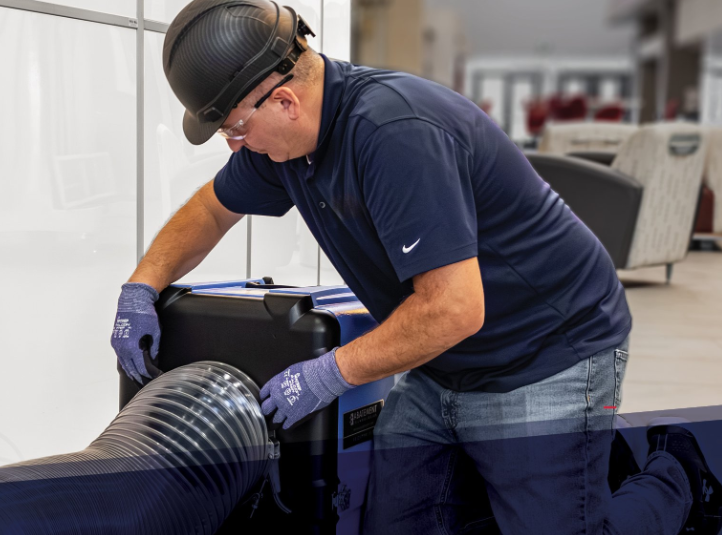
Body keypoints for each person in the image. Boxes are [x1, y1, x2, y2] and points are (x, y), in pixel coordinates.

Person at [109, 1, 721, 533]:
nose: (233, 145)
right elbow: (210, 211)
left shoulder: (394, 134)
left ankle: (678, 477)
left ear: (286, 99)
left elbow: (456, 307)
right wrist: (142, 286)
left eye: (236, 128)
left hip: (546, 351)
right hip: (441, 359)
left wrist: (330, 373)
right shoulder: (286, 146)